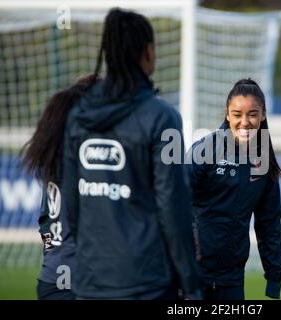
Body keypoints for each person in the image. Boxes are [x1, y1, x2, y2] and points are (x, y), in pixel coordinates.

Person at [61, 8, 200, 299]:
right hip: (146, 285)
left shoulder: (78, 115)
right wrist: (190, 283)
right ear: (148, 52)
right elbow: (173, 207)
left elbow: (71, 205)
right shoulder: (164, 119)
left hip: (90, 282)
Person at [188, 78, 281, 300]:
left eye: (252, 114)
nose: (245, 122)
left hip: (231, 278)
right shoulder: (205, 151)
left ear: (263, 115)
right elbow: (174, 201)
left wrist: (274, 277)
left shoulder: (264, 163)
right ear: (227, 114)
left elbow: (268, 224)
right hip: (192, 275)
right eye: (237, 114)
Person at [21, 75, 96, 300]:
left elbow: (45, 225)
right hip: (85, 282)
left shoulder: (51, 160)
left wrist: (51, 251)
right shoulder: (87, 161)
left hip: (52, 279)